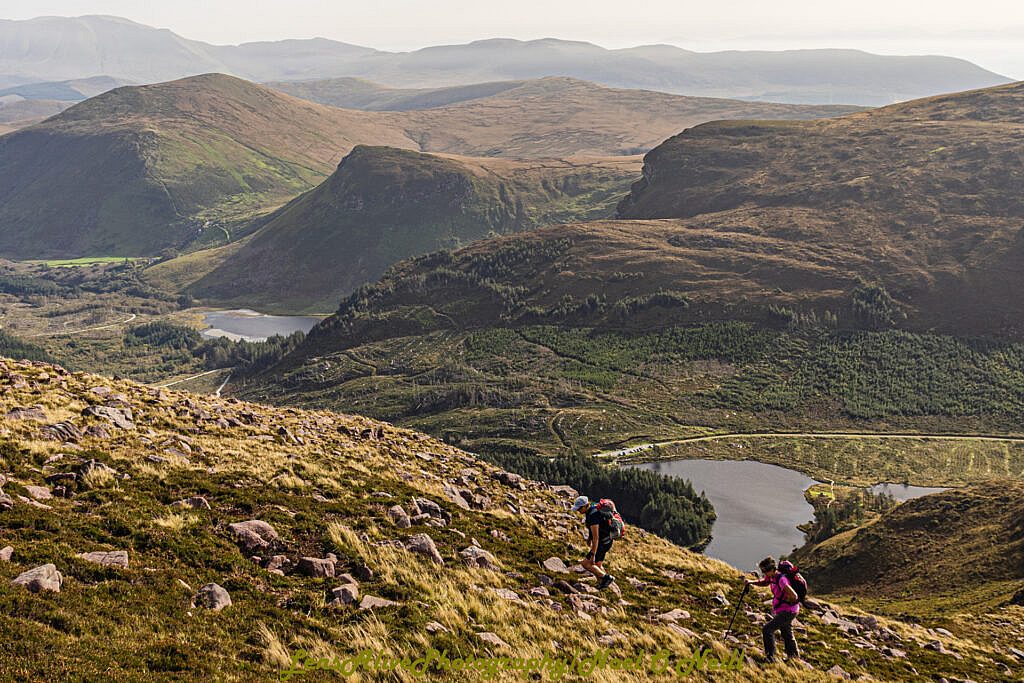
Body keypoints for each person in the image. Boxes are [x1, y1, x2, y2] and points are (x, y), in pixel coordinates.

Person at [746, 556, 801, 663]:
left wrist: (787, 603)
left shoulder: (781, 580)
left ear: (771, 569)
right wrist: (751, 582)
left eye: (764, 571)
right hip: (785, 610)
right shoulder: (772, 577)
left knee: (767, 630)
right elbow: (765, 582)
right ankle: (794, 657)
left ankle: (771, 658)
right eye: (762, 571)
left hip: (788, 611)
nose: (763, 573)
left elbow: (794, 596)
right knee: (786, 632)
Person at [571, 495, 616, 589]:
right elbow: (597, 530)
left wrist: (592, 554)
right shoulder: (594, 508)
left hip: (602, 543)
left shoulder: (592, 515)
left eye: (579, 509)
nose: (578, 511)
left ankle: (607, 578)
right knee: (597, 565)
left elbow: (596, 537)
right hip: (608, 540)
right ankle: (604, 586)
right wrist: (589, 538)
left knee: (586, 564)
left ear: (585, 506)